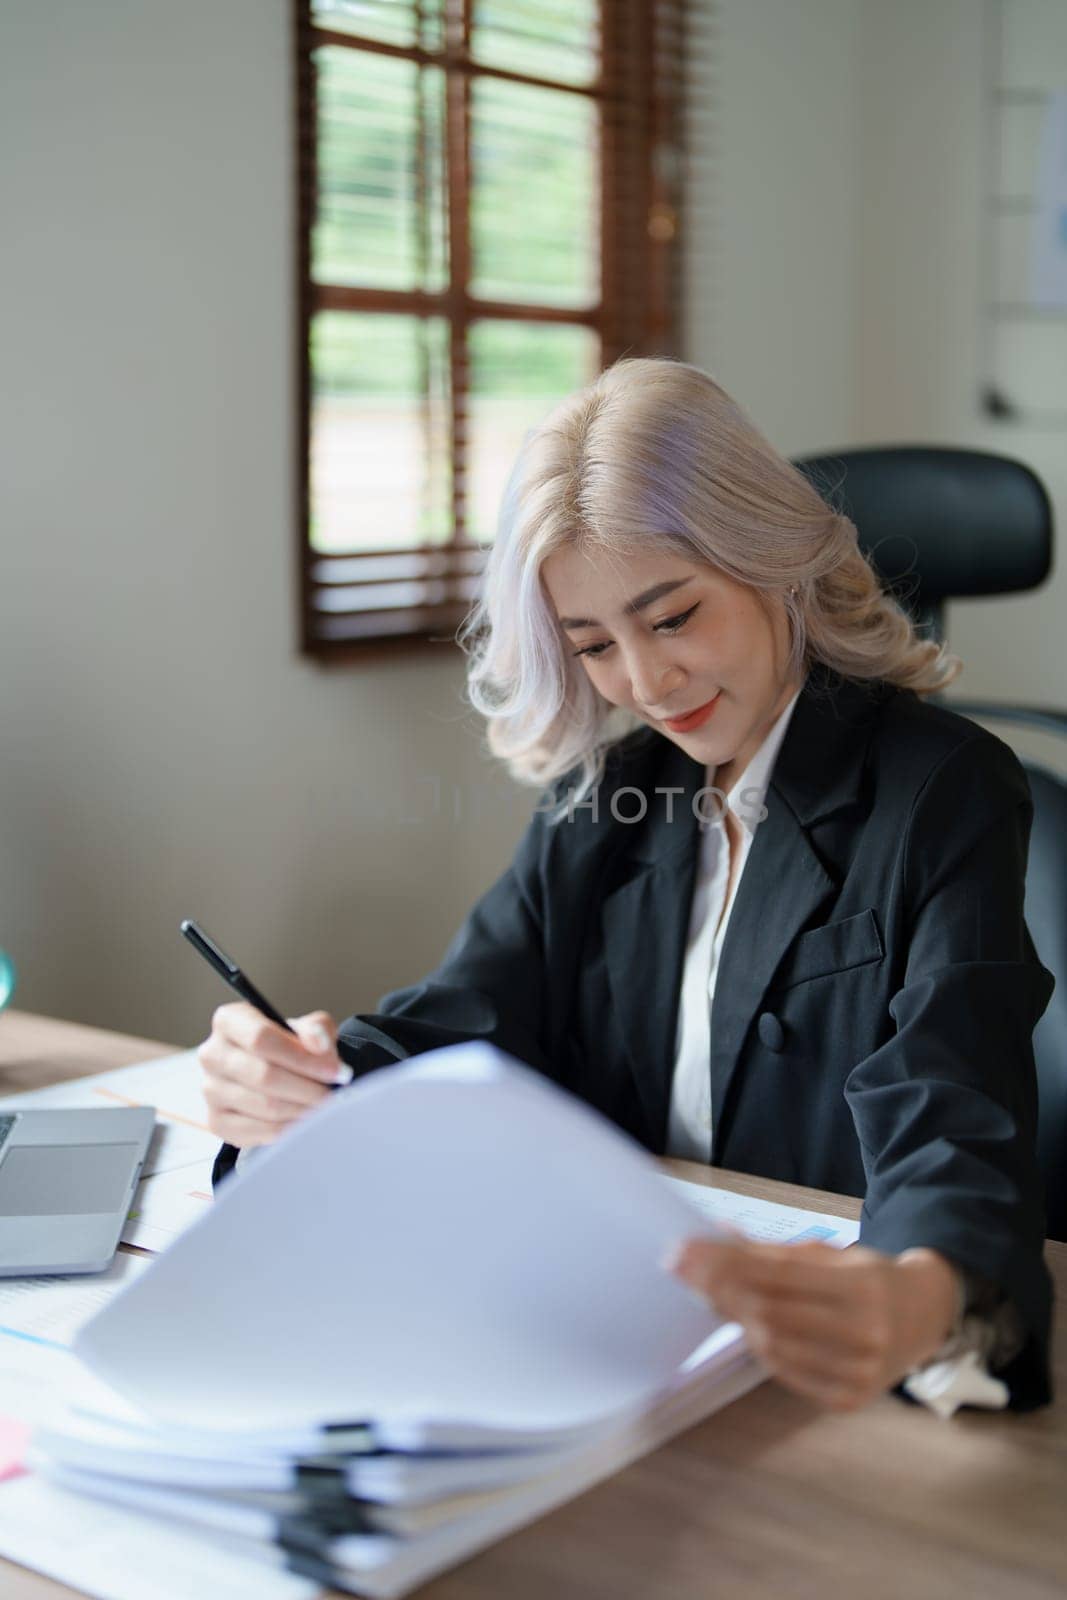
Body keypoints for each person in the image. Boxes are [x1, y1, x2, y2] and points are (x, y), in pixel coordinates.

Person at [199, 358, 1054, 1415]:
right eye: (593, 644)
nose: (645, 686)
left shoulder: (941, 788)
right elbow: (467, 1017)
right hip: (636, 1348)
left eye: (671, 616)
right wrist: (306, 1079)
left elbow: (946, 1091)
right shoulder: (606, 791)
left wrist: (925, 1291)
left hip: (820, 1354)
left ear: (769, 561)